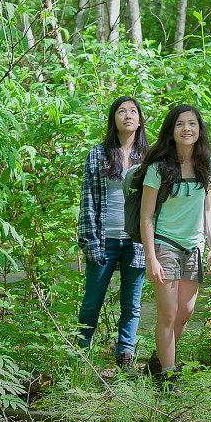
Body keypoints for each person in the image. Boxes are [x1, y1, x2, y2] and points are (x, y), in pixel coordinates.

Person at [139, 104, 211, 394]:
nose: (188, 129)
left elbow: (208, 210)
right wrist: (151, 257)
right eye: (181, 124)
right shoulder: (159, 168)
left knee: (185, 313)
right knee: (169, 313)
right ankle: (169, 378)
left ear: (199, 130)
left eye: (193, 124)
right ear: (171, 131)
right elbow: (146, 216)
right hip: (165, 244)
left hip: (195, 246)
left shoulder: (206, 164)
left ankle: (157, 362)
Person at [76, 96, 149, 377]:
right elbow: (87, 200)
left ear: (140, 120)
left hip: (138, 242)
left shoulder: (149, 157)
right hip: (104, 239)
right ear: (114, 118)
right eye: (122, 111)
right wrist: (89, 241)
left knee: (131, 304)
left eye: (133, 111)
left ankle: (125, 358)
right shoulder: (98, 153)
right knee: (92, 301)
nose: (128, 115)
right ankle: (79, 357)